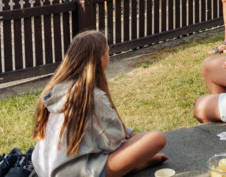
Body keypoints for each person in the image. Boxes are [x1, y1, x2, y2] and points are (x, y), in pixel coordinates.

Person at [32, 30, 167, 177]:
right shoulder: (93, 96)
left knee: (135, 138)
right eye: (107, 51)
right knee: (157, 139)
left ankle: (132, 164)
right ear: (101, 58)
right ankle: (131, 166)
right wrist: (137, 145)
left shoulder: (59, 88)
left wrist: (130, 133)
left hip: (47, 169)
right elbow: (113, 142)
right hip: (75, 172)